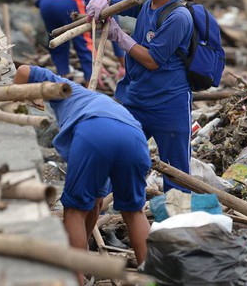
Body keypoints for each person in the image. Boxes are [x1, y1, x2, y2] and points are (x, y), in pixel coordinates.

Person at [13, 64, 150, 280]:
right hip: (134, 136)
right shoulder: (91, 99)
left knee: (74, 211)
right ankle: (152, 279)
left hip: (94, 130)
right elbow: (96, 201)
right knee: (134, 212)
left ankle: (75, 278)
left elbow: (23, 71)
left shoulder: (65, 88)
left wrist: (16, 103)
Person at [86, 0, 193, 192]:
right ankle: (102, 209)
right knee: (116, 154)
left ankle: (174, 223)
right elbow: (116, 2)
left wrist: (119, 36)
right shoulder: (144, 0)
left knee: (176, 173)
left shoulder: (178, 17)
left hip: (169, 103)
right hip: (136, 98)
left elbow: (153, 60)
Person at [35, 0, 124, 84]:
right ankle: (90, 82)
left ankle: (62, 77)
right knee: (84, 42)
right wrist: (123, 65)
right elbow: (116, 31)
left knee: (57, 40)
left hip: (45, 1)